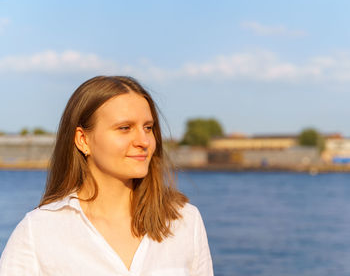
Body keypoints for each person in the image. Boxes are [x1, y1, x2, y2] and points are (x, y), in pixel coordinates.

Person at [0, 76, 213, 275]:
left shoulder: (184, 221)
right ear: (83, 140)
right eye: (124, 128)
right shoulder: (39, 231)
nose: (144, 141)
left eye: (148, 128)